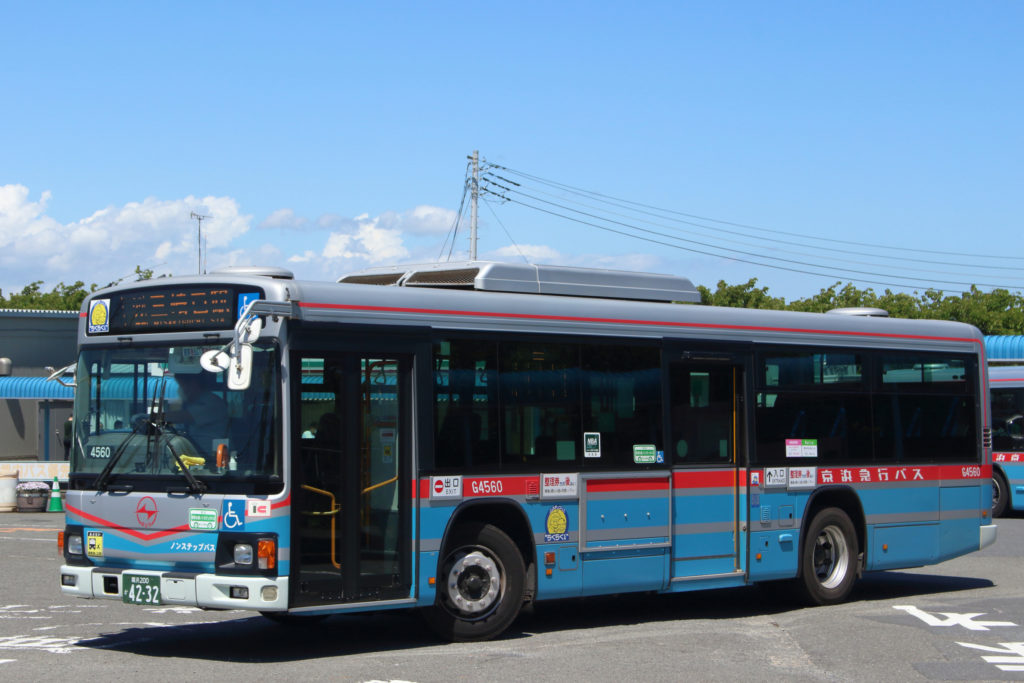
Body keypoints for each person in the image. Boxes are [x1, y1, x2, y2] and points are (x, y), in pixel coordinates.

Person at [167, 372, 228, 458]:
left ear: (193, 384)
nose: (181, 389)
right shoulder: (191, 403)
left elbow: (184, 416)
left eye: (182, 385)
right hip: (194, 454)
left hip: (212, 457)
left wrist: (155, 416)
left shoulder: (212, 402)